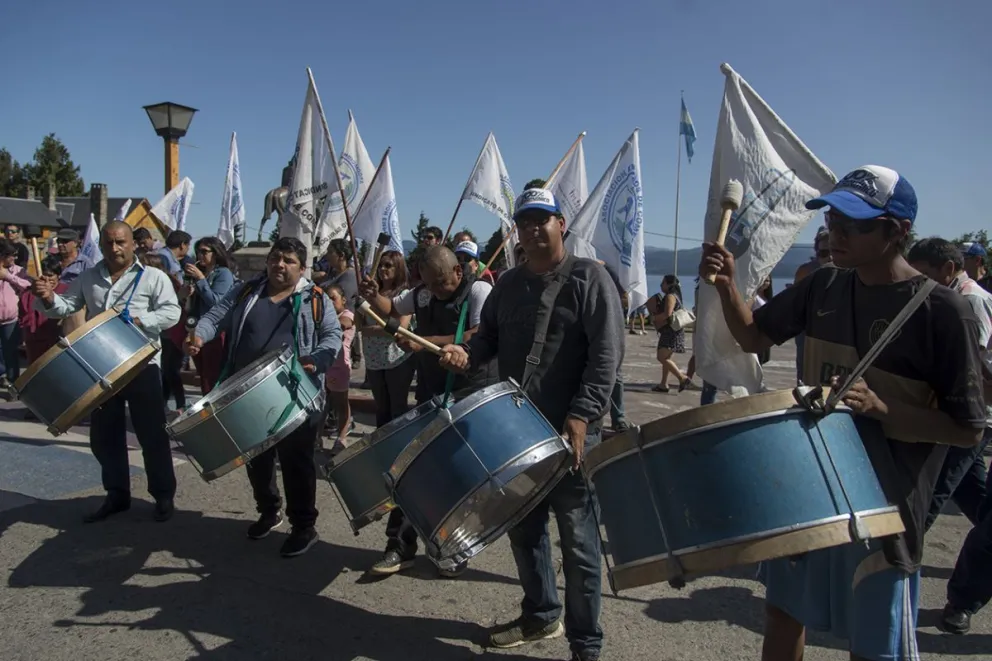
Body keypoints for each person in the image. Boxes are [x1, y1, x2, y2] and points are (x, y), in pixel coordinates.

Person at [699, 165, 987, 661]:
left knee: (875, 645)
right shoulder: (824, 286)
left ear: (896, 231)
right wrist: (727, 287)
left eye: (852, 225)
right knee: (784, 614)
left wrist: (885, 409)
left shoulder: (942, 312)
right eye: (832, 221)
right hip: (808, 488)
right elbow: (753, 337)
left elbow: (967, 430)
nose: (835, 234)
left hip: (884, 507)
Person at [437, 188, 622, 661]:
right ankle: (541, 616)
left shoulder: (589, 278)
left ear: (562, 223)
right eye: (526, 221)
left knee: (580, 547)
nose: (534, 229)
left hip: (574, 436)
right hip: (518, 433)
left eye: (543, 219)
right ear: (516, 229)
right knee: (524, 532)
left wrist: (583, 414)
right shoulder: (508, 285)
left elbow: (606, 358)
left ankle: (586, 646)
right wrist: (467, 354)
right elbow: (488, 340)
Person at [188, 237, 341, 557]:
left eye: (288, 261)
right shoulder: (247, 290)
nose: (279, 265)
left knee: (296, 462)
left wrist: (318, 359)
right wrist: (200, 336)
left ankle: (304, 526)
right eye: (275, 258)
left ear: (302, 268)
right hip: (248, 391)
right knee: (255, 457)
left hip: (296, 393)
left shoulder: (315, 297)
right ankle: (269, 511)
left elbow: (332, 335)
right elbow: (216, 316)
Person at [358, 244, 496, 577]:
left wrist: (424, 340)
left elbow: (480, 333)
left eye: (441, 283)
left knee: (459, 478)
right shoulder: (421, 293)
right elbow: (391, 309)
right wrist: (374, 296)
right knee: (411, 470)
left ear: (458, 272)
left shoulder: (479, 290)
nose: (434, 291)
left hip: (470, 393)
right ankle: (401, 544)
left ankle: (454, 547)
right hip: (432, 391)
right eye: (429, 284)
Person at [32, 221, 182, 523]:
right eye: (109, 243)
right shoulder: (89, 277)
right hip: (100, 370)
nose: (115, 248)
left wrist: (140, 321)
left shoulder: (153, 277)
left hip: (142, 366)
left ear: (132, 244)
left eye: (120, 242)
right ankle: (117, 495)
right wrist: (48, 298)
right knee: (104, 436)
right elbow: (66, 306)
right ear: (101, 246)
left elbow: (172, 312)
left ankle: (163, 495)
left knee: (152, 434)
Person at [906, 238, 992, 533]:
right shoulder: (949, 294)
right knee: (971, 493)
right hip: (962, 409)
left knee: (930, 495)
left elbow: (972, 360)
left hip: (969, 412)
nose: (917, 281)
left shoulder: (970, 299)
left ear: (948, 268)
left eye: (923, 274)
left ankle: (904, 554)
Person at [361, 250, 416, 427]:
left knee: (397, 408)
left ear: (398, 268)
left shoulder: (404, 294)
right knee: (382, 408)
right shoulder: (369, 293)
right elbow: (359, 325)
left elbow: (401, 328)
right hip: (373, 360)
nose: (383, 269)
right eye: (381, 264)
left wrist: (370, 329)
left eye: (388, 265)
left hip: (397, 359)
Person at [182, 236, 237, 394]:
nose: (200, 255)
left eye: (204, 251)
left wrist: (200, 279)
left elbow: (216, 302)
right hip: (195, 328)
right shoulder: (204, 273)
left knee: (211, 375)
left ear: (216, 252)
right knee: (203, 373)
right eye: (198, 251)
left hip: (214, 331)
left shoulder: (223, 273)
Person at [793, 226, 833, 383]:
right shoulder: (806, 271)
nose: (829, 257)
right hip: (808, 330)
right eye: (823, 253)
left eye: (833, 251)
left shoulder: (852, 272)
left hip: (836, 334)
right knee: (805, 375)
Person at [324, 284, 354, 451]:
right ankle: (316, 437)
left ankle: (342, 437)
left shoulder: (346, 314)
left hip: (340, 367)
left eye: (332, 298)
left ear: (343, 300)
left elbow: (345, 323)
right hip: (325, 366)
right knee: (323, 404)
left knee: (341, 403)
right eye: (326, 299)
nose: (329, 301)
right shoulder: (323, 316)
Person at [648, 275, 691, 393]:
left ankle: (682, 378)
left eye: (663, 283)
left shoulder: (670, 297)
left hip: (670, 332)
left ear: (669, 284)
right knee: (666, 358)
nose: (661, 285)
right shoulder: (676, 296)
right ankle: (663, 384)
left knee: (661, 357)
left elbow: (667, 314)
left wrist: (653, 318)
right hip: (674, 331)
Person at [0, 238, 31, 390]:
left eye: (15, 255)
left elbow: (28, 285)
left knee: (10, 352)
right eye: (10, 255)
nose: (13, 258)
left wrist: (8, 276)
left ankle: (13, 382)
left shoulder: (19, 271)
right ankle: (1, 375)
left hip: (10, 320)